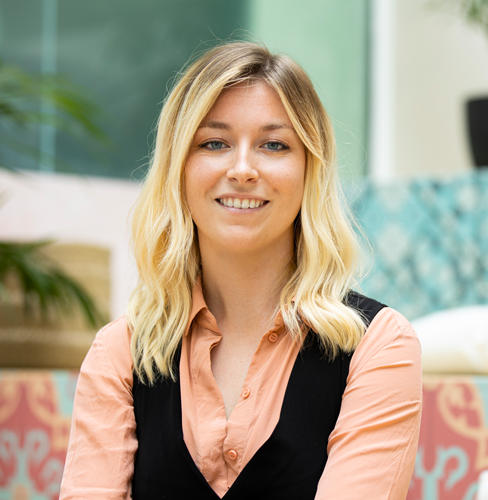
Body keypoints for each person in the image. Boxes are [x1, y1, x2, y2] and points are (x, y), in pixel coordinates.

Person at [59, 42, 422, 500]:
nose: (243, 169)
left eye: (274, 145)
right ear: (179, 169)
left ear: (310, 169)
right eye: (214, 143)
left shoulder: (379, 346)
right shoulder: (119, 353)